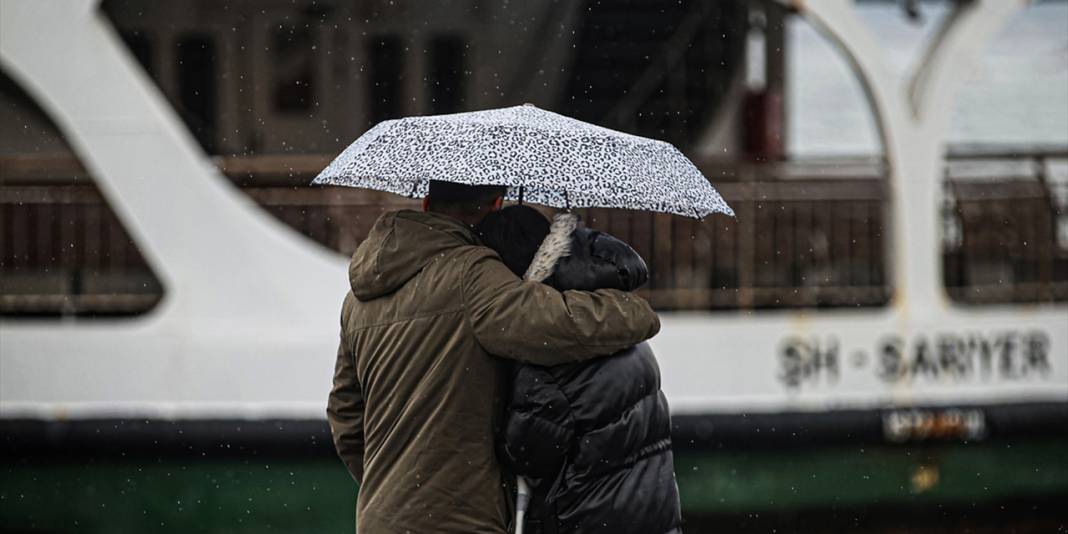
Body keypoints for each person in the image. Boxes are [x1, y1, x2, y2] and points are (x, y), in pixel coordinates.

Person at [326, 181, 662, 534]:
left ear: (426, 203)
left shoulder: (358, 297)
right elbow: (557, 325)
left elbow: (346, 417)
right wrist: (634, 311)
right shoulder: (471, 274)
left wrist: (393, 484)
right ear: (496, 203)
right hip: (455, 520)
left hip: (378, 518)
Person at [477, 205, 682, 534]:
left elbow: (524, 452)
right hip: (651, 514)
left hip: (585, 518)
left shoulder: (549, 352)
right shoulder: (611, 317)